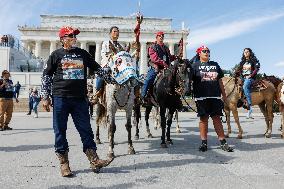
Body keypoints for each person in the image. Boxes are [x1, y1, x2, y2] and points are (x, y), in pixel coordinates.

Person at [41, 26, 115, 177]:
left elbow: (97, 69)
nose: (74, 38)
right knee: (60, 131)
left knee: (86, 130)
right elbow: (46, 77)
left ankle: (94, 160)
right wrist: (45, 97)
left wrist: (113, 79)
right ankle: (64, 164)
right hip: (60, 97)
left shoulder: (82, 53)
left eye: (75, 35)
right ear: (62, 39)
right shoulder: (55, 55)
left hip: (80, 99)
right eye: (70, 36)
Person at [189, 45, 233, 152]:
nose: (207, 53)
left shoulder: (215, 64)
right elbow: (189, 81)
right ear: (199, 53)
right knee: (203, 119)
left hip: (215, 96)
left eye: (208, 51)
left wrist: (224, 96)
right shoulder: (194, 66)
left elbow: (220, 82)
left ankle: (223, 142)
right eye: (204, 51)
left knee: (217, 119)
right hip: (201, 97)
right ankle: (204, 143)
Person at [141, 31, 179, 99]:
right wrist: (163, 63)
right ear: (156, 37)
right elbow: (154, 58)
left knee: (176, 78)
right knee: (148, 79)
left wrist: (176, 57)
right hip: (156, 67)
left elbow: (169, 57)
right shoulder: (152, 47)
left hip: (166, 68)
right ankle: (143, 96)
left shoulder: (166, 48)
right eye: (159, 36)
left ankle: (177, 97)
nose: (161, 37)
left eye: (162, 36)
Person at [92, 26, 125, 103]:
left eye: (117, 32)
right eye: (114, 31)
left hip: (117, 66)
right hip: (108, 64)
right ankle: (97, 92)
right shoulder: (105, 43)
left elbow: (124, 55)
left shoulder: (120, 46)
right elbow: (104, 54)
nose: (116, 33)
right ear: (110, 33)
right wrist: (111, 55)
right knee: (103, 73)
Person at [236, 48, 260, 119]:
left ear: (250, 53)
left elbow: (256, 69)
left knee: (245, 86)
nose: (246, 53)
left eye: (247, 52)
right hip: (242, 77)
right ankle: (239, 101)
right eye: (244, 52)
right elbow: (240, 70)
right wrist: (237, 73)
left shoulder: (253, 60)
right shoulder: (242, 62)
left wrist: (251, 75)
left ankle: (249, 106)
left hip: (250, 78)